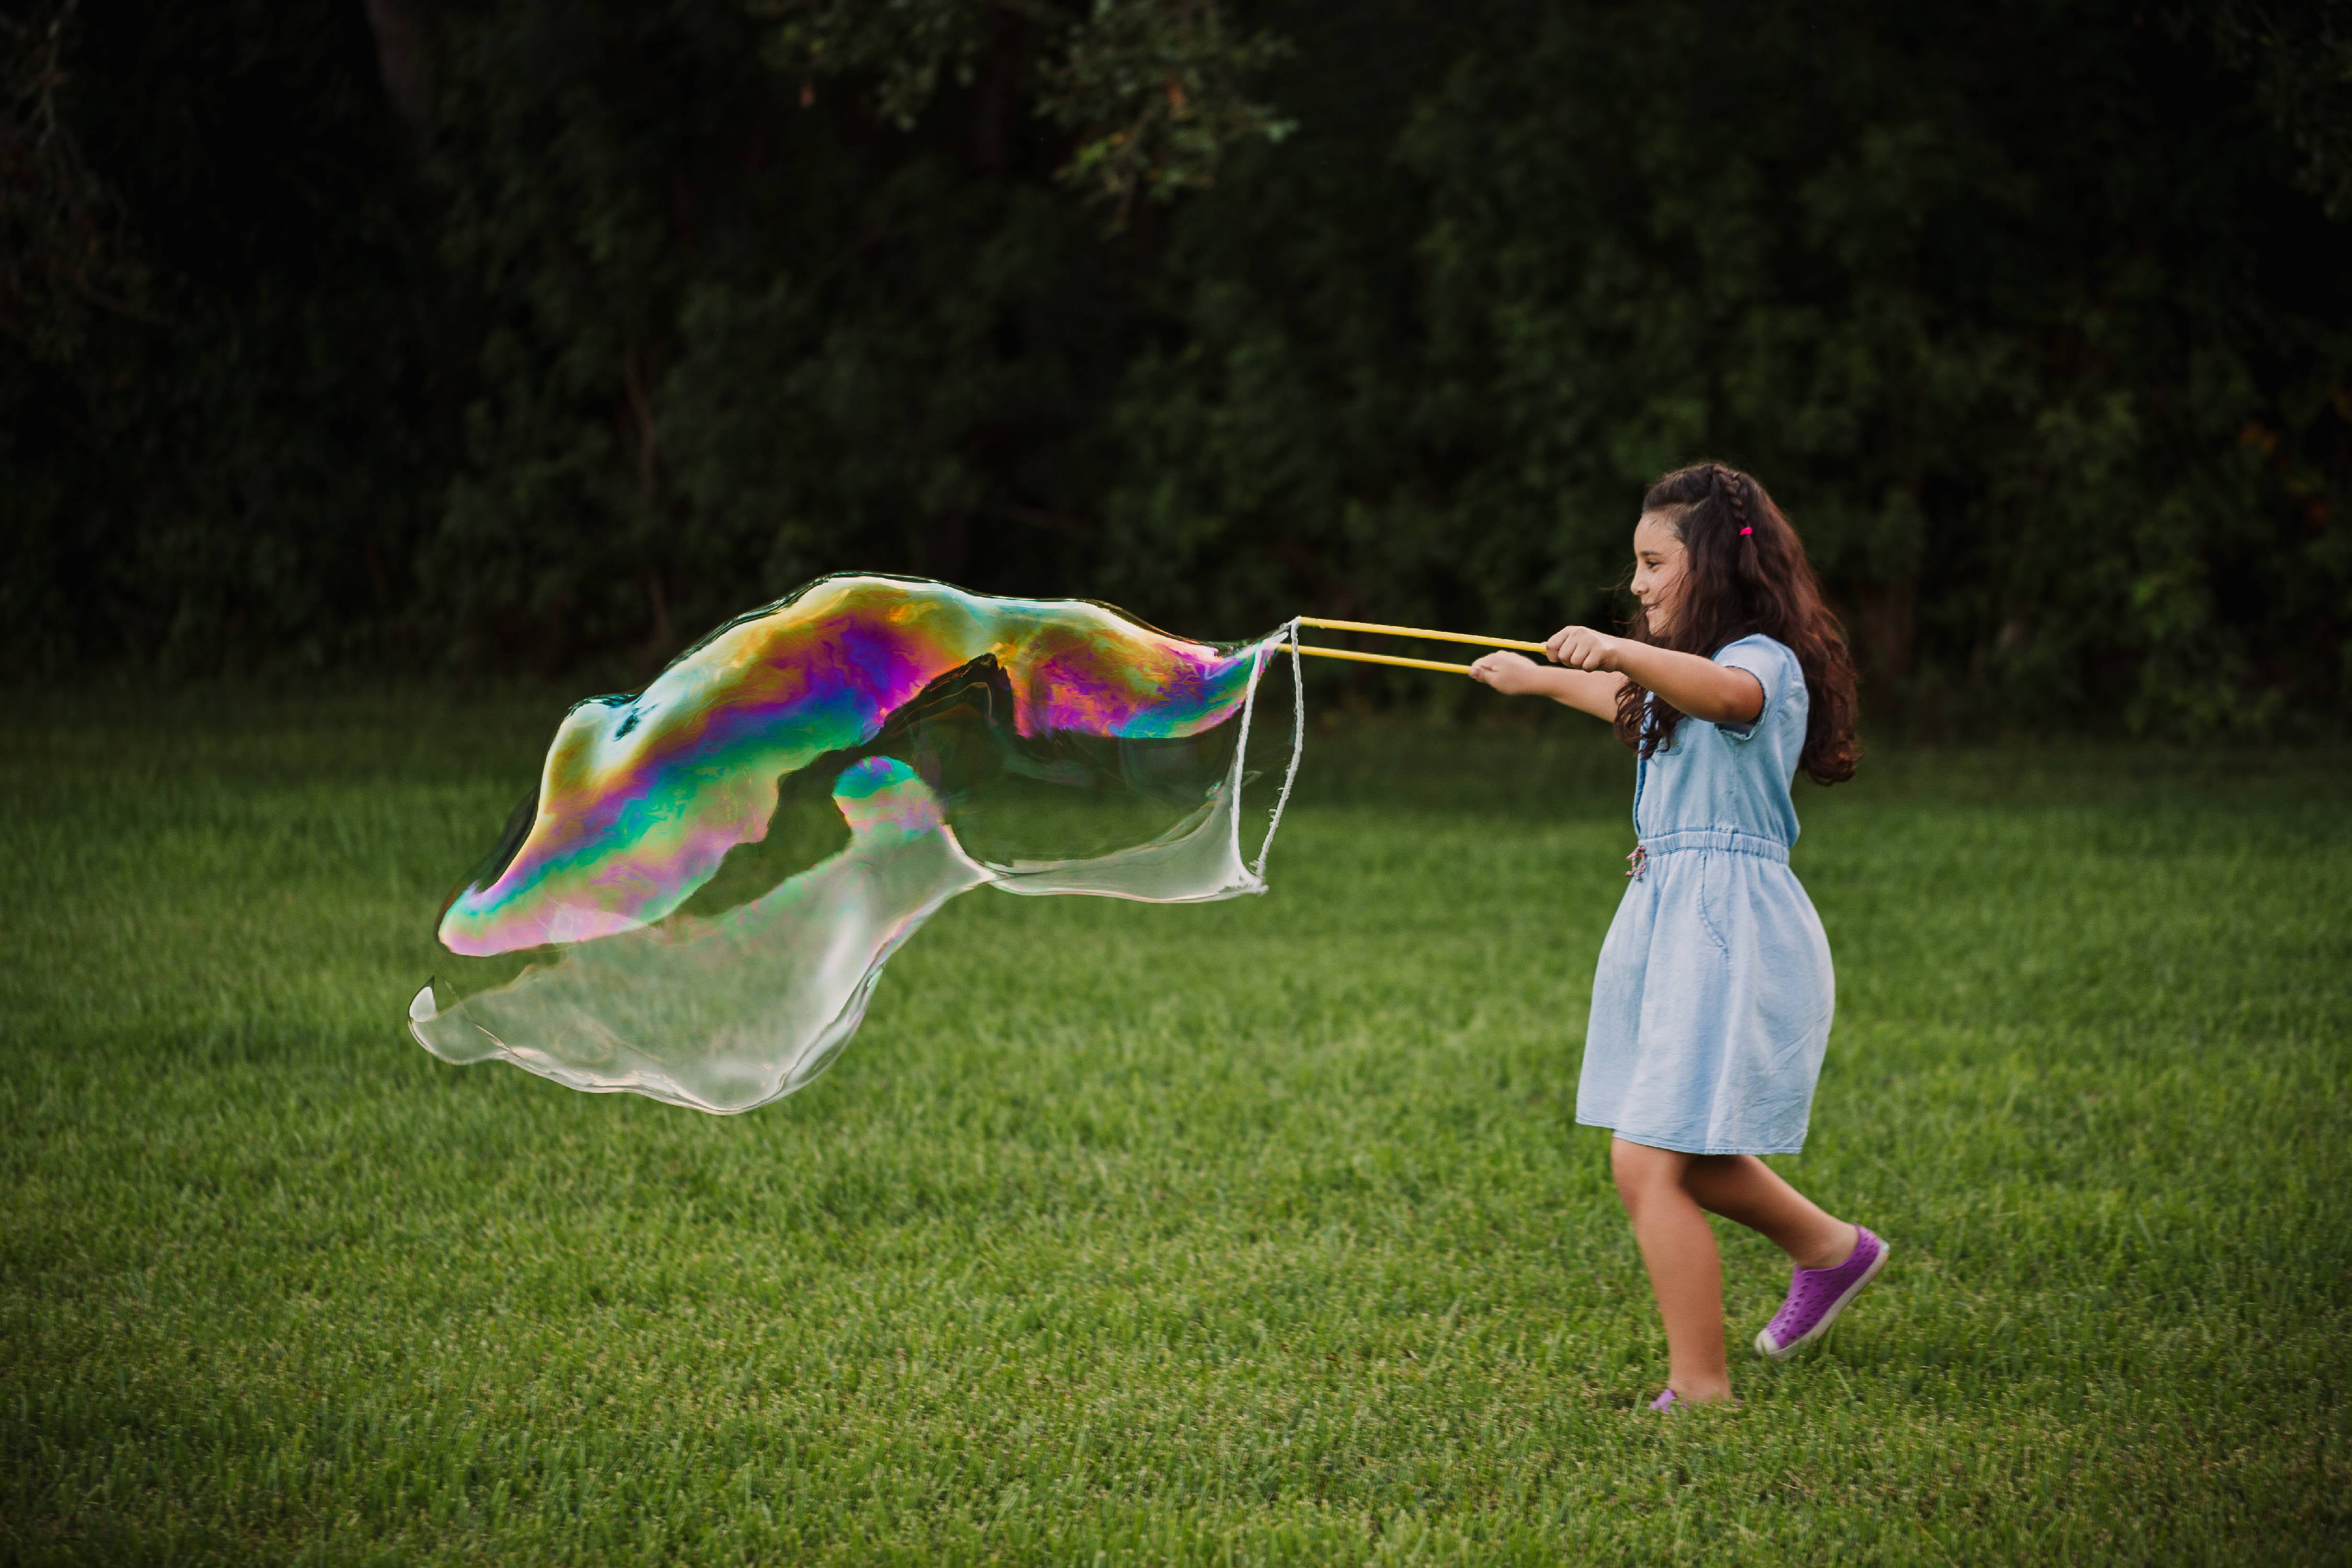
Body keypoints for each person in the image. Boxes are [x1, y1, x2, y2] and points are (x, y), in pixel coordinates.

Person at [1469, 461, 1884, 1410]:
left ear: (1720, 568)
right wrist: (1537, 681)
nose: (1638, 585)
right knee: (1681, 1147)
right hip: (1674, 917)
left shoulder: (1760, 663)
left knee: (1645, 1157)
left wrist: (1620, 651)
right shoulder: (1672, 681)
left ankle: (1700, 1389)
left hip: (1726, 931)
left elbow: (1723, 697)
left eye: (1654, 565)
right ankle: (1830, 1249)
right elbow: (1636, 703)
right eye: (1636, 567)